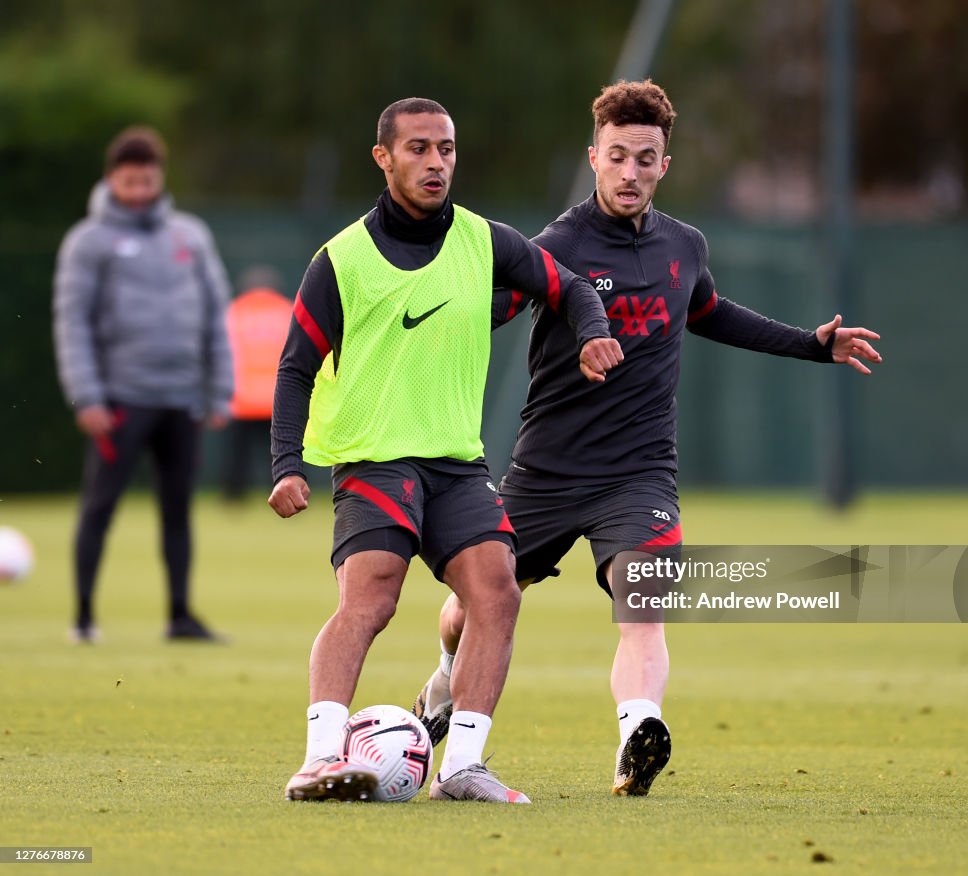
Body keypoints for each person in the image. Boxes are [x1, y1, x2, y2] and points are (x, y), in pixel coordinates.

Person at [414, 80, 883, 797]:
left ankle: (638, 730)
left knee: (645, 595)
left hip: (639, 473)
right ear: (593, 158)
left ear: (665, 165)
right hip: (545, 472)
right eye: (617, 158)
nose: (630, 172)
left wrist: (811, 345)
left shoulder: (684, 246)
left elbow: (713, 314)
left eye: (645, 158)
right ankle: (445, 679)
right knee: (476, 606)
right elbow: (489, 312)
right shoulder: (558, 245)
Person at [269, 97, 623, 804]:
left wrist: (592, 332)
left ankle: (461, 767)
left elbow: (570, 285)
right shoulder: (340, 260)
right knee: (372, 597)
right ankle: (316, 759)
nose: (436, 163)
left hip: (457, 464)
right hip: (374, 459)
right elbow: (293, 367)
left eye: (447, 150)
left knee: (497, 591)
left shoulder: (484, 241)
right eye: (420, 149)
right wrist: (286, 465)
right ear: (385, 157)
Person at [53, 126, 234, 644]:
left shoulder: (190, 236)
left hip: (181, 399)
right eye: (129, 182)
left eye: (147, 180)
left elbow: (214, 317)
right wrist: (86, 394)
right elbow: (72, 323)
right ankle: (84, 617)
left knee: (178, 511)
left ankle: (180, 615)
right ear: (112, 180)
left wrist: (218, 389)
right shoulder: (88, 241)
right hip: (120, 400)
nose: (138, 191)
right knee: (99, 507)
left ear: (160, 179)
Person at [222, 266, 293, 501]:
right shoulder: (286, 311)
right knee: (280, 453)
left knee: (238, 455)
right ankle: (285, 491)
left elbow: (224, 353)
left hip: (242, 397)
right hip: (278, 397)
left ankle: (235, 496)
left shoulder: (234, 312)